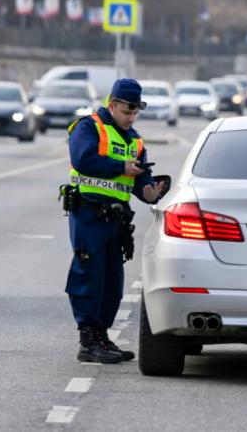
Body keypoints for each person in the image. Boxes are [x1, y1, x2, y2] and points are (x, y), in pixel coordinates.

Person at [65, 78, 166, 364]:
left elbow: (140, 176)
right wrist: (121, 167)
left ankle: (102, 334)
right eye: (127, 111)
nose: (131, 117)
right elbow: (83, 159)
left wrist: (149, 191)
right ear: (113, 105)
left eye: (136, 112)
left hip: (116, 219)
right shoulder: (89, 127)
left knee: (112, 280)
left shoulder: (135, 140)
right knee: (89, 273)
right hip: (89, 213)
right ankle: (88, 339)